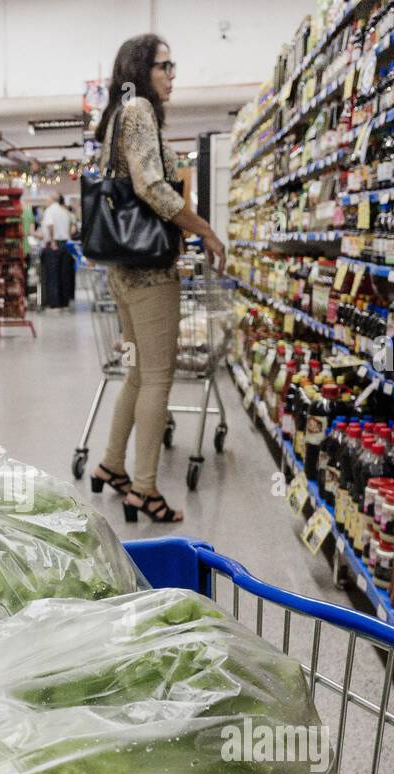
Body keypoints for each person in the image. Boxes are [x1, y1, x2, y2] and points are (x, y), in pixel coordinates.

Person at [89, 34, 226, 524]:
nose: (172, 75)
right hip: (150, 273)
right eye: (164, 66)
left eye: (173, 66)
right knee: (157, 378)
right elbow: (150, 186)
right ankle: (144, 489)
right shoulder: (140, 111)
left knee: (135, 371)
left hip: (121, 273)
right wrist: (204, 228)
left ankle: (111, 462)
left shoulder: (113, 116)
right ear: (141, 69)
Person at [40, 195, 76, 309]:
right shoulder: (65, 212)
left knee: (52, 275)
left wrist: (52, 241)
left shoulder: (49, 211)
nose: (45, 201)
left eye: (47, 199)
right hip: (66, 244)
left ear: (52, 200)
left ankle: (54, 302)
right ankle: (64, 301)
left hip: (54, 245)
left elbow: (50, 225)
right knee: (64, 274)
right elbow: (72, 227)